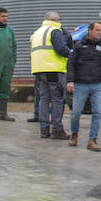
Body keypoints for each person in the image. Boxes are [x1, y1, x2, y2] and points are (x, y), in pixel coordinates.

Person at [65, 21, 101, 149]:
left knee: (97, 112)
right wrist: (70, 81)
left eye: (100, 30)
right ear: (89, 31)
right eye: (97, 30)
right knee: (76, 113)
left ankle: (92, 140)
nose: (99, 32)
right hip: (81, 84)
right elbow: (71, 64)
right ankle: (74, 134)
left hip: (97, 86)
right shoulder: (79, 46)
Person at [30, 11, 72, 140]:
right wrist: (73, 54)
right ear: (55, 20)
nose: (60, 22)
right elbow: (61, 49)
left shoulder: (37, 33)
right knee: (57, 99)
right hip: (53, 69)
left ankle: (44, 129)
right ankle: (57, 130)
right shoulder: (54, 31)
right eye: (59, 20)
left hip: (39, 70)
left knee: (43, 98)